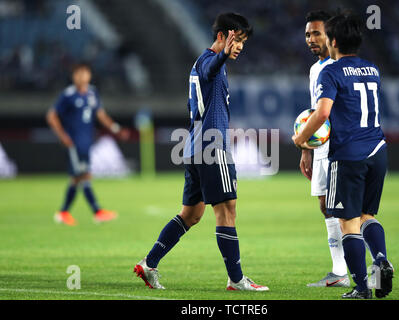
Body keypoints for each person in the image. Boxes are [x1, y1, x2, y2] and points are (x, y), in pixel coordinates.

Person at [134, 12, 269, 291]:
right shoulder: (210, 62)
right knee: (227, 211)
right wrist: (222, 56)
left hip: (196, 146)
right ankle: (236, 279)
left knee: (191, 214)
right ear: (222, 36)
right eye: (237, 39)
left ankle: (149, 264)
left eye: (243, 41)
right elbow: (211, 69)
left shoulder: (200, 64)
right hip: (211, 146)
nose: (240, 46)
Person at [292, 12, 394, 299]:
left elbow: (322, 113)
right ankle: (381, 258)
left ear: (333, 40)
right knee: (367, 216)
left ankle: (361, 287)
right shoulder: (372, 69)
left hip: (348, 154)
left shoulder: (331, 71)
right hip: (378, 149)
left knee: (348, 223)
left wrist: (301, 138)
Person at [300, 10, 349, 288]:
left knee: (345, 208)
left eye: (316, 33)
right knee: (325, 205)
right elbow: (313, 113)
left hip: (340, 148)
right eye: (307, 34)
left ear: (330, 36)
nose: (311, 39)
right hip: (320, 148)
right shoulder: (314, 70)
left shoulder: (339, 66)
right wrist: (306, 148)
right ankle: (338, 270)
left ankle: (352, 268)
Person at [47, 63, 129, 226]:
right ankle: (94, 211)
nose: (82, 76)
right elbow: (52, 116)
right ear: (73, 76)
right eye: (78, 73)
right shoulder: (68, 95)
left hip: (86, 143)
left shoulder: (92, 93)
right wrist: (62, 136)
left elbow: (101, 115)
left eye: (85, 73)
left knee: (79, 178)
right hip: (74, 143)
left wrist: (116, 128)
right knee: (83, 176)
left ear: (89, 75)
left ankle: (65, 212)